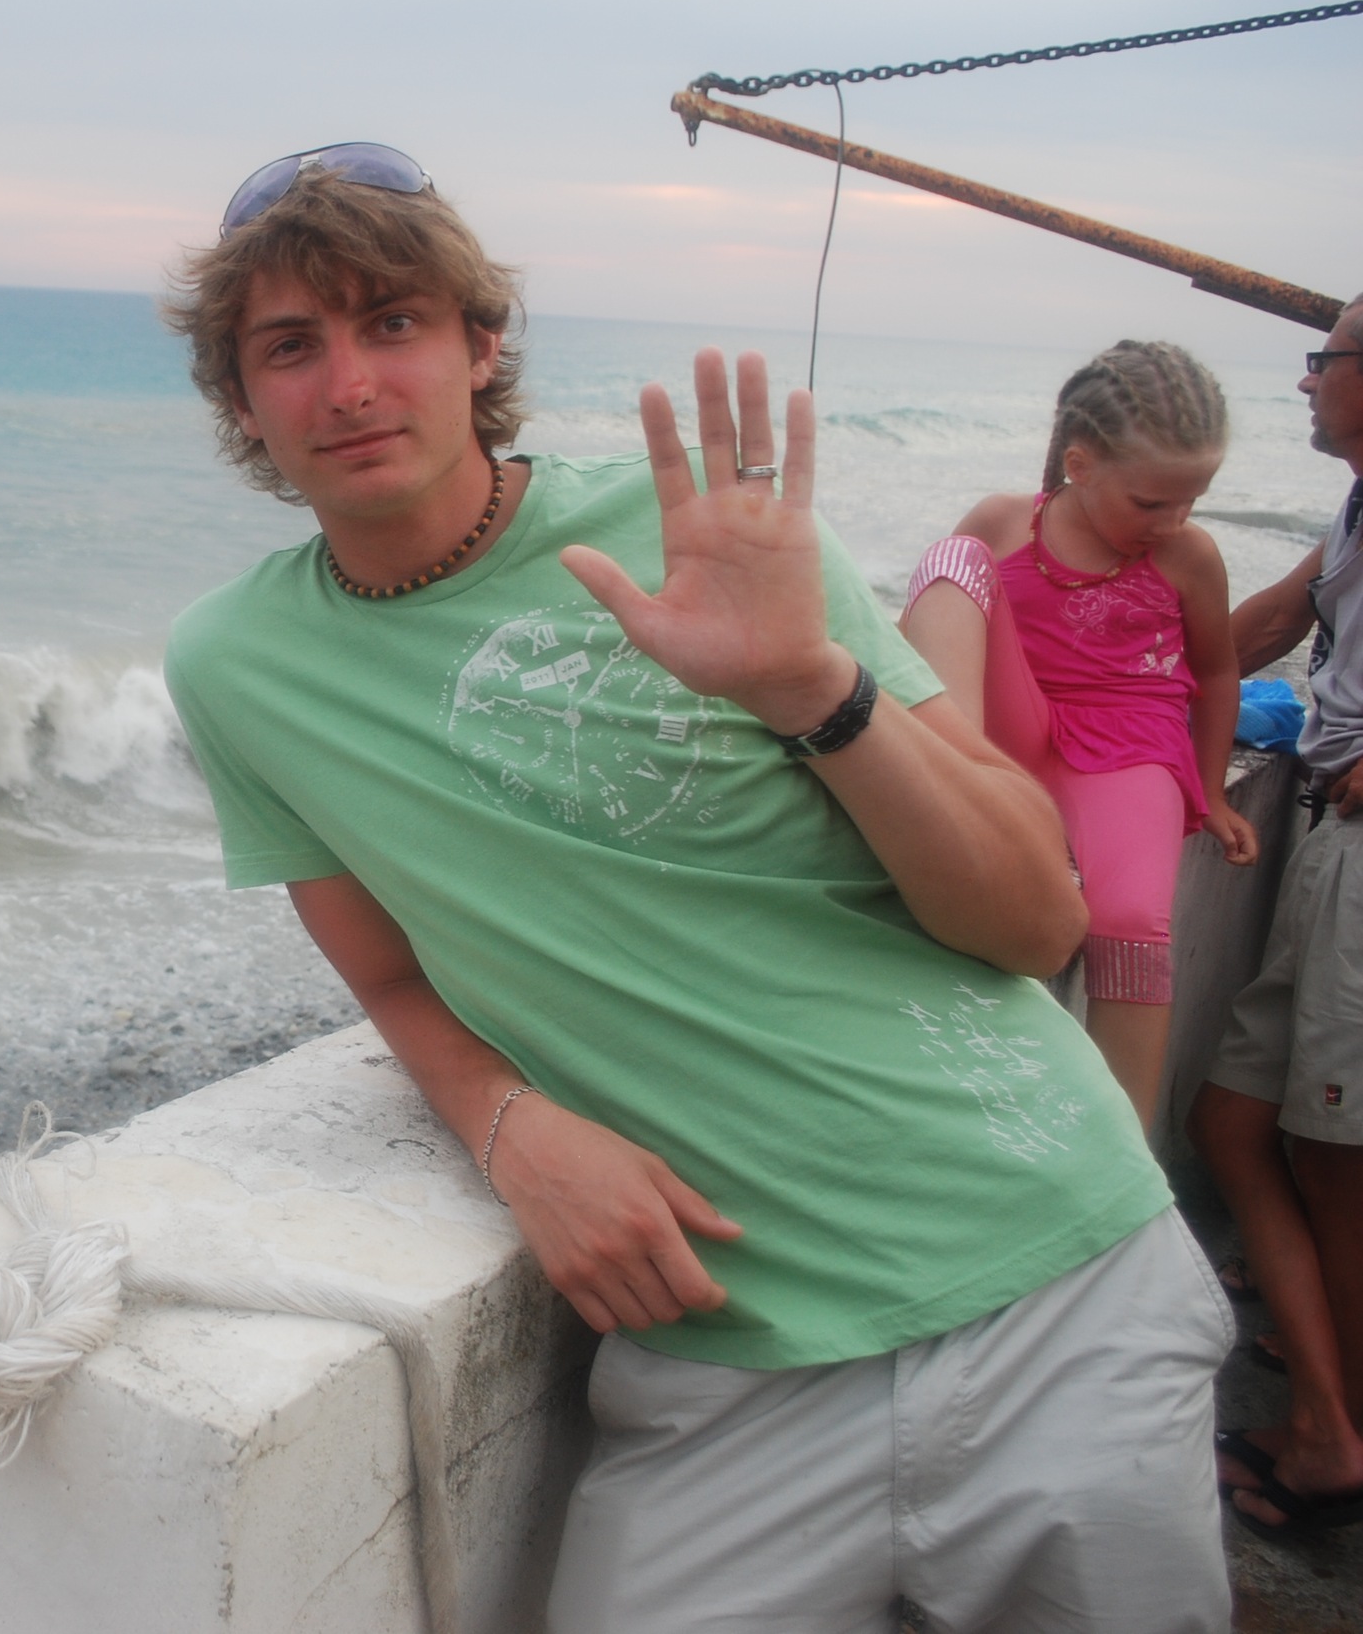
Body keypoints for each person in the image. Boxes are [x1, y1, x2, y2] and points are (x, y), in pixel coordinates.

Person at [161, 147, 1231, 1632]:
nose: (347, 384)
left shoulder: (706, 538)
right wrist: (515, 1128)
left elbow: (1036, 920)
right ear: (239, 397)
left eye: (392, 322)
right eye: (290, 346)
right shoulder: (238, 667)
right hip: (724, 1352)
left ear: (481, 345)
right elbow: (390, 972)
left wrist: (810, 685)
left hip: (1049, 1266)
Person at [898, 343, 1258, 1130]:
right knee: (955, 559)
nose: (1173, 522)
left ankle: (1124, 1143)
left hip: (1132, 743)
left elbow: (1218, 670)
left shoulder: (1188, 556)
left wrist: (1212, 791)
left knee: (1128, 917)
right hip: (1015, 728)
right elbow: (931, 631)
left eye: (1190, 501)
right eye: (1151, 503)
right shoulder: (1005, 522)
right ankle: (935, 783)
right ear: (1080, 465)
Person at [1191, 294, 1363, 1539]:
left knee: (1335, 1158)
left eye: (1325, 357)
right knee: (1234, 1117)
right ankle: (1328, 1398)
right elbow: (1259, 627)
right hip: (1323, 839)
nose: (1306, 379)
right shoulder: (1354, 509)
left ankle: (1330, 1437)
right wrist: (1124, 675)